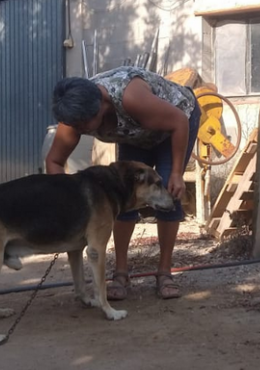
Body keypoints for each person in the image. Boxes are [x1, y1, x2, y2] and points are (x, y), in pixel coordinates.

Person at [45, 65, 201, 300]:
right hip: (135, 134)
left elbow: (178, 121)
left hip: (175, 124)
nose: (79, 131)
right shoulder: (75, 114)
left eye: (83, 126)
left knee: (169, 190)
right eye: (75, 126)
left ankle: (164, 273)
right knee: (119, 196)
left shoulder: (130, 98)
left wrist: (178, 173)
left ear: (100, 107)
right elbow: (54, 162)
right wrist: (67, 202)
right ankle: (120, 274)